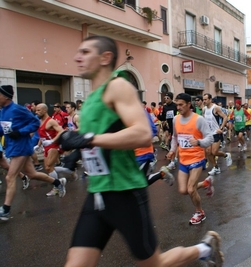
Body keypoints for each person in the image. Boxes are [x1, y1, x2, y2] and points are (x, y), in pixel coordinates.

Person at [60, 35, 223, 266]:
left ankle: (203, 249)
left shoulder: (117, 87)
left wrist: (89, 138)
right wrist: (74, 151)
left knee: (153, 263)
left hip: (124, 191)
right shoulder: (90, 100)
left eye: (85, 52)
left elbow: (142, 133)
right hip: (97, 194)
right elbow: (98, 143)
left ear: (105, 57)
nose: (77, 57)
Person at [0, 85, 66, 221]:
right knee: (32, 174)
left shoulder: (17, 109)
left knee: (10, 177)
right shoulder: (2, 111)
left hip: (21, 147)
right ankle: (57, 183)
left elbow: (35, 122)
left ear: (6, 96)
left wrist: (20, 132)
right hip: (13, 147)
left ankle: (5, 210)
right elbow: (4, 130)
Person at [165, 93, 215, 225]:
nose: (178, 107)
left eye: (181, 105)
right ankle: (205, 183)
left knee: (191, 189)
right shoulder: (176, 119)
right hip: (183, 160)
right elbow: (175, 137)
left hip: (197, 158)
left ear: (189, 105)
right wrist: (172, 150)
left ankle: (199, 212)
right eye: (177, 105)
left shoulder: (198, 120)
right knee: (183, 190)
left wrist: (198, 142)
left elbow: (210, 138)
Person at [36, 103, 66, 196]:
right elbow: (42, 135)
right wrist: (38, 145)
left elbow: (61, 131)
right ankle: (59, 182)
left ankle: (57, 186)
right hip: (46, 147)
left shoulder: (51, 121)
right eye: (36, 110)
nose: (36, 112)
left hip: (54, 146)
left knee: (49, 166)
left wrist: (52, 141)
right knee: (48, 168)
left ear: (45, 110)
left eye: (38, 110)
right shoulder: (40, 121)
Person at [202, 93, 232, 175]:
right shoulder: (204, 109)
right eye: (203, 99)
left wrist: (221, 128)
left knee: (214, 152)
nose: (204, 101)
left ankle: (226, 155)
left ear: (210, 99)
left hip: (216, 132)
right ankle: (216, 168)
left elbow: (225, 117)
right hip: (208, 133)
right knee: (208, 152)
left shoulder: (215, 108)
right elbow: (204, 120)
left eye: (205, 99)